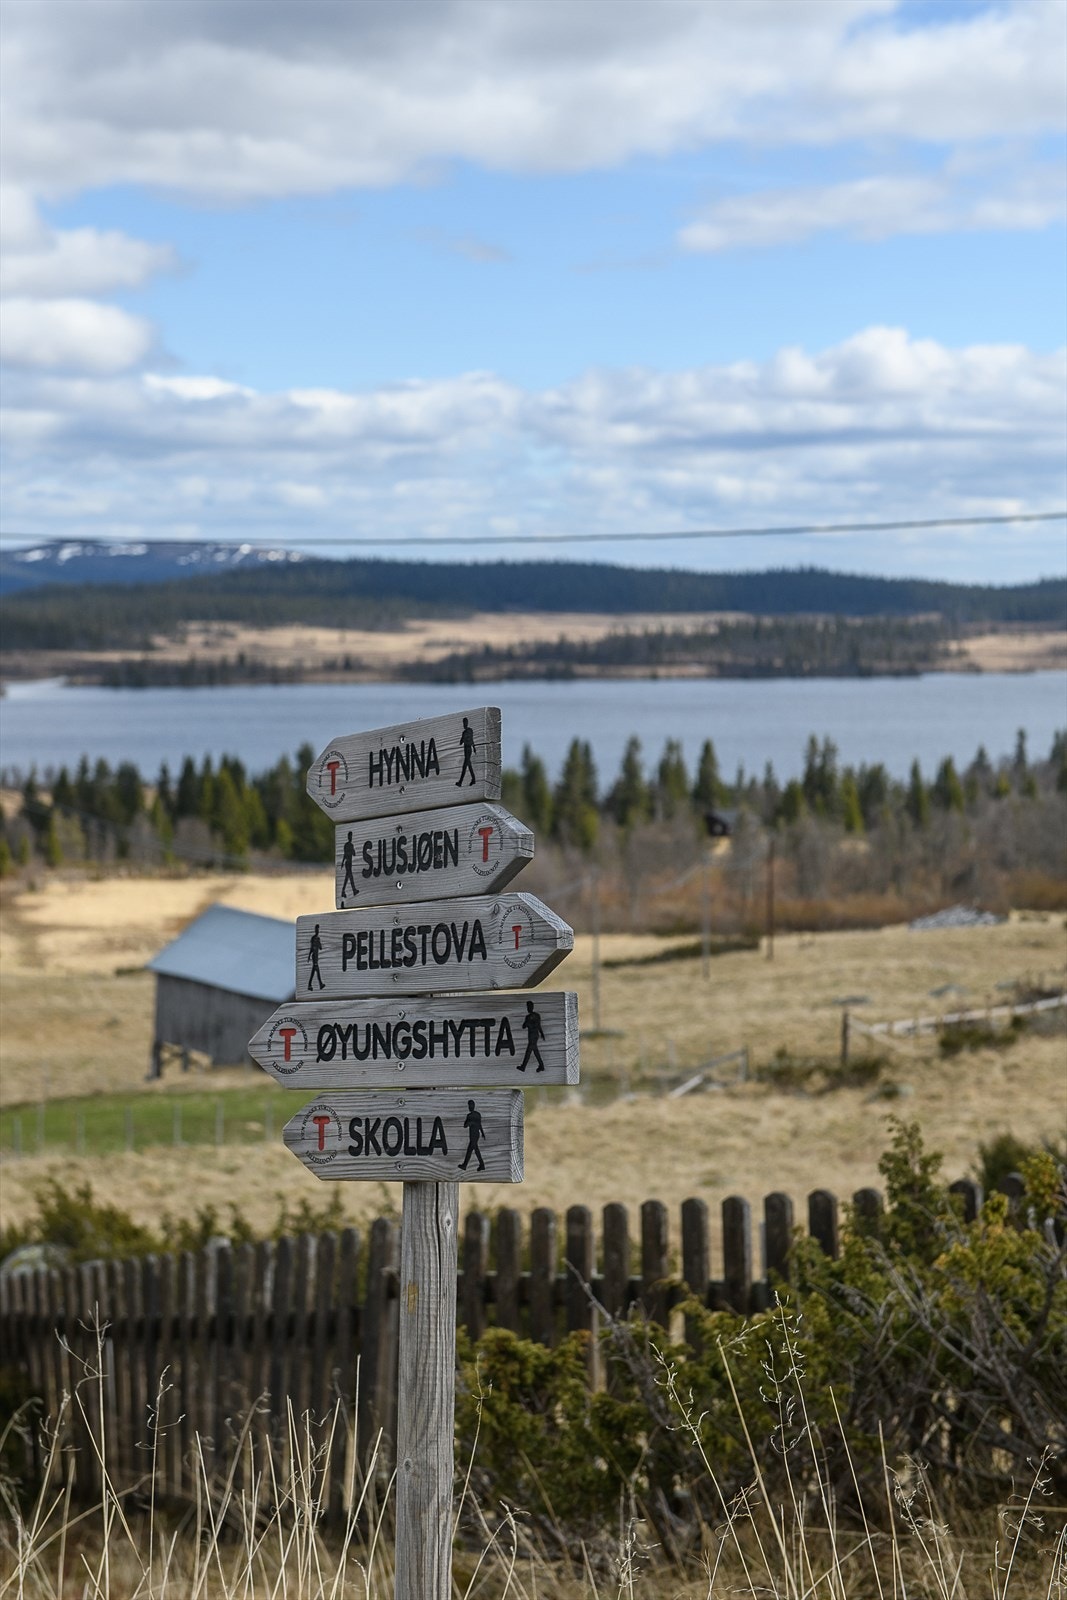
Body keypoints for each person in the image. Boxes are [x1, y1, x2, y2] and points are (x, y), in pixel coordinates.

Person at [459, 1098, 486, 1171]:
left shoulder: (476, 1115)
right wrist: (470, 1123)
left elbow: (479, 1125)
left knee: (475, 1150)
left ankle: (481, 1164)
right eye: (469, 1106)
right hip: (473, 1135)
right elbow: (465, 1125)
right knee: (470, 1150)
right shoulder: (469, 1115)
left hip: (475, 1135)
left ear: (473, 1106)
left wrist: (482, 1133)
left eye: (471, 1105)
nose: (470, 1107)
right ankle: (465, 1165)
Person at [519, 999, 545, 1072]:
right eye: (527, 1007)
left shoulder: (529, 1017)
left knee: (529, 1051)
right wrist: (542, 1033)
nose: (528, 1008)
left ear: (531, 1007)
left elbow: (525, 1026)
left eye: (529, 1007)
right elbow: (538, 1026)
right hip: (534, 1035)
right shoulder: (536, 1015)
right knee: (535, 1052)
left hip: (532, 1036)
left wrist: (527, 1023)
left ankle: (523, 1067)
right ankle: (541, 1066)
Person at [456, 716, 477, 787]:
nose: (464, 724)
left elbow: (470, 740)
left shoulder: (467, 731)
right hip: (467, 749)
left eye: (465, 723)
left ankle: (460, 782)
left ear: (467, 723)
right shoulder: (467, 731)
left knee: (464, 766)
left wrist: (474, 747)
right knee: (469, 766)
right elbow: (462, 742)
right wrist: (474, 747)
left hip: (468, 749)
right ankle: (473, 779)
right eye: (464, 723)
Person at [307, 923, 325, 991]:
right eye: (316, 929)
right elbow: (311, 948)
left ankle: (310, 985)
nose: (317, 931)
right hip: (314, 956)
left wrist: (319, 943)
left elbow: (320, 948)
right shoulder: (313, 938)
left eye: (318, 929)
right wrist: (309, 956)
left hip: (317, 956)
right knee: (316, 970)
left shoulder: (318, 938)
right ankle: (320, 984)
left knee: (314, 972)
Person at [340, 831, 358, 898]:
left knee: (347, 878)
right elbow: (351, 854)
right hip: (348, 863)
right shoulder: (349, 845)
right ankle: (353, 890)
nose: (351, 837)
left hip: (348, 863)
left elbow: (353, 854)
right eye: (350, 836)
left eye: (351, 836)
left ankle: (344, 891)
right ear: (348, 837)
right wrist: (342, 862)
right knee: (350, 877)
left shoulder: (348, 845)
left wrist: (342, 862)